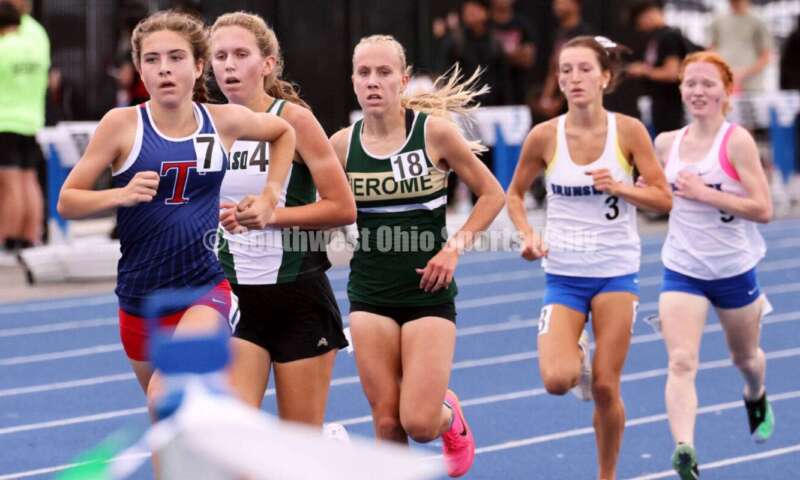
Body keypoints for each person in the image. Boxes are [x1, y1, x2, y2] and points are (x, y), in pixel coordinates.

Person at [56, 10, 296, 414]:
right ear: (139, 69)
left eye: (176, 58)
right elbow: (69, 200)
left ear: (199, 66)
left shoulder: (223, 121)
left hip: (203, 290)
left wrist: (270, 195)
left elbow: (283, 132)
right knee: (174, 426)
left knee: (165, 400)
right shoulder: (122, 125)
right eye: (152, 60)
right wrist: (120, 195)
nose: (164, 69)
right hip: (139, 299)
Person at [329, 35, 505, 477]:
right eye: (364, 73)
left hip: (428, 292)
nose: (374, 82)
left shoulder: (434, 132)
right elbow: (322, 207)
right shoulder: (341, 145)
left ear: (403, 80)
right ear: (352, 81)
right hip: (370, 293)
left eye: (384, 72)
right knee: (387, 422)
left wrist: (453, 249)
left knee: (419, 423)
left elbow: (491, 194)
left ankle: (449, 415)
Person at [506, 36, 672, 480]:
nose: (573, 78)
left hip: (616, 273)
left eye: (583, 69)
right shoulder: (545, 135)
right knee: (557, 381)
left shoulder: (629, 131)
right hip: (563, 275)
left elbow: (663, 198)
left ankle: (607, 474)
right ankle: (573, 345)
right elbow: (515, 194)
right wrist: (527, 236)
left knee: (604, 385)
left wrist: (622, 187)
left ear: (605, 77)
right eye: (565, 70)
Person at [208, 11, 355, 427]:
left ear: (268, 63)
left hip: (298, 297)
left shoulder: (294, 120)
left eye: (241, 54)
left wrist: (270, 216)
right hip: (235, 299)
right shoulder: (207, 125)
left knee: (296, 448)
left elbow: (343, 208)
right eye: (220, 56)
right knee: (234, 443)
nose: (230, 65)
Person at [648, 51, 774, 479]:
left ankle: (755, 394)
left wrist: (707, 194)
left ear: (726, 91)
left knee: (746, 358)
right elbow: (646, 192)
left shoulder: (735, 141)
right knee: (681, 361)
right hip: (682, 269)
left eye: (707, 84)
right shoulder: (667, 143)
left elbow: (763, 208)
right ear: (681, 90)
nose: (698, 91)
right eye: (691, 83)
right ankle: (686, 451)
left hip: (734, 271)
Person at [0, 0, 49, 254]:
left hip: (5, 119)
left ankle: (7, 239)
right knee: (28, 179)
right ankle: (30, 237)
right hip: (31, 118)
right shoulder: (38, 34)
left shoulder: (5, 45)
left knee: (9, 184)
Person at [626, 0, 692, 136]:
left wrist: (643, 70)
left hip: (671, 105)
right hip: (659, 104)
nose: (641, 27)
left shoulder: (669, 36)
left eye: (640, 21)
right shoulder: (656, 38)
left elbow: (672, 73)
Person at [709, 0, 772, 93]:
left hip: (751, 87)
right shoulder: (718, 21)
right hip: (723, 84)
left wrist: (742, 74)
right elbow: (711, 50)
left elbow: (766, 56)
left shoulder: (758, 21)